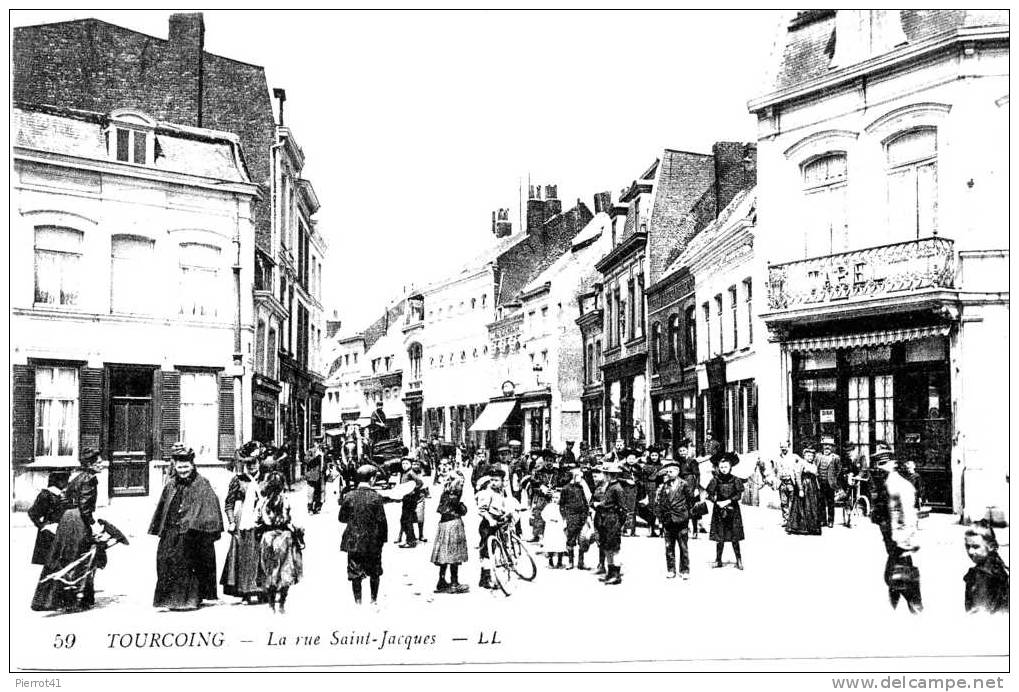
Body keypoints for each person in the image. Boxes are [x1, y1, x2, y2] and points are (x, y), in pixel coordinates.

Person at [149, 445, 224, 611]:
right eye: (179, 467)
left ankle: (189, 600)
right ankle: (169, 600)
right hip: (172, 531)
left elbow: (209, 508)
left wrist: (196, 526)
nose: (183, 470)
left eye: (186, 467)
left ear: (192, 465)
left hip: (192, 533)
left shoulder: (202, 483)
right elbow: (164, 508)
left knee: (187, 561)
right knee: (165, 559)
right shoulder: (171, 485)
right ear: (175, 466)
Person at [31, 448, 105, 612]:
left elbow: (65, 500)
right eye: (99, 462)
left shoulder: (77, 478)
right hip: (77, 521)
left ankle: (49, 600)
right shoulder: (90, 479)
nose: (102, 465)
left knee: (62, 557)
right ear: (90, 464)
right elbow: (85, 508)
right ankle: (73, 600)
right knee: (79, 558)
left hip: (68, 519)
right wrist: (93, 525)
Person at [873, 450, 923, 614]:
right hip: (892, 539)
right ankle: (910, 608)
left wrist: (905, 541)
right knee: (897, 576)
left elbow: (909, 515)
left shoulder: (899, 485)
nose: (880, 468)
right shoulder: (887, 483)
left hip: (899, 541)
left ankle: (916, 611)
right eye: (879, 465)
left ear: (893, 464)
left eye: (884, 464)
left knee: (896, 576)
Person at [221, 442, 267, 603]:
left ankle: (263, 591)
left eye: (254, 462)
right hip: (243, 522)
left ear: (259, 462)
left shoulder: (267, 479)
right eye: (248, 463)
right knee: (244, 556)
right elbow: (229, 503)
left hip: (262, 521)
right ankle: (245, 591)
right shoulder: (238, 480)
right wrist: (231, 521)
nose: (251, 466)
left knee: (262, 554)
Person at [338, 464, 389, 605]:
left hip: (353, 540)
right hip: (373, 541)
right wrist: (382, 540)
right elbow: (382, 521)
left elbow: (342, 518)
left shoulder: (349, 496)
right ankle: (373, 600)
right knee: (374, 571)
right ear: (372, 479)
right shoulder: (376, 498)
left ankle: (358, 602)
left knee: (355, 572)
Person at [257, 472, 303, 613]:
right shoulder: (286, 500)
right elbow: (292, 521)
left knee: (269, 571)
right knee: (286, 571)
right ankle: (282, 605)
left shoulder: (263, 502)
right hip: (284, 537)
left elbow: (257, 519)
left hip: (268, 537)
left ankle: (271, 605)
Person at [431, 460, 470, 594]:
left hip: (443, 524)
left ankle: (441, 581)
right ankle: (454, 583)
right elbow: (461, 510)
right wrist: (463, 507)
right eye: (461, 482)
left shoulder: (445, 493)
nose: (462, 485)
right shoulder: (455, 494)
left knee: (443, 554)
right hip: (453, 524)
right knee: (455, 554)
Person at [656, 461, 697, 579]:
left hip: (681, 519)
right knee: (669, 546)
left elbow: (690, 501)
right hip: (668, 520)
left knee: (683, 547)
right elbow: (661, 503)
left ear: (678, 471)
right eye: (667, 472)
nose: (669, 473)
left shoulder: (684, 484)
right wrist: (661, 519)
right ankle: (671, 569)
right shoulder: (664, 486)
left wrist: (686, 514)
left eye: (672, 471)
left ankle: (685, 570)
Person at [476, 469, 515, 590]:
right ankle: (485, 578)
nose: (493, 482)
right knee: (487, 552)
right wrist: (490, 520)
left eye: (496, 480)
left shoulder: (501, 492)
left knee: (503, 544)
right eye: (491, 480)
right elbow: (482, 510)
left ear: (503, 482)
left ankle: (507, 562)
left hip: (499, 522)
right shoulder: (487, 493)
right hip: (488, 525)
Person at [706, 452, 744, 569]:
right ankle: (718, 560)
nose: (723, 469)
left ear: (730, 467)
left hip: (733, 510)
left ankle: (739, 560)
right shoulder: (715, 480)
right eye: (721, 467)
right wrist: (716, 501)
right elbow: (710, 494)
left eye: (726, 467)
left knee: (735, 536)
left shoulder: (736, 480)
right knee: (720, 536)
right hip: (719, 510)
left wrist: (727, 501)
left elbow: (738, 495)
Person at [963, 523, 1009, 615]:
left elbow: (979, 613)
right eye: (967, 546)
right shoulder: (998, 565)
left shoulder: (981, 575)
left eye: (976, 547)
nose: (971, 551)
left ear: (991, 546)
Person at [27, 471, 70, 566]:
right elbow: (32, 513)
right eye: (65, 480)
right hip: (49, 534)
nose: (67, 483)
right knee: (50, 564)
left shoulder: (62, 495)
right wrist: (42, 526)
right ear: (57, 481)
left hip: (61, 531)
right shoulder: (46, 495)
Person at [596, 462, 627, 585]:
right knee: (607, 547)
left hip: (612, 519)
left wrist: (619, 523)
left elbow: (623, 508)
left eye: (605, 473)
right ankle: (610, 572)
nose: (603, 476)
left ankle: (616, 574)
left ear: (610, 475)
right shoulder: (610, 486)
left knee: (614, 548)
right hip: (605, 519)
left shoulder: (617, 488)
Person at [786, 446, 823, 536]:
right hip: (804, 486)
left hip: (812, 488)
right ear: (804, 456)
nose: (810, 457)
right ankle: (801, 528)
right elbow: (798, 477)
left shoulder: (813, 465)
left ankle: (812, 527)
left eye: (811, 456)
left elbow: (816, 475)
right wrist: (800, 489)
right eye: (808, 455)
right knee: (802, 507)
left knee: (812, 507)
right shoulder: (801, 463)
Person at [559, 467, 591, 569]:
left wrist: (587, 514)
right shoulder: (565, 489)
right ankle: (570, 561)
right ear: (573, 476)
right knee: (571, 539)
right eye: (579, 476)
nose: (581, 478)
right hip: (571, 517)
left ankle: (581, 562)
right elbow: (562, 505)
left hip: (582, 516)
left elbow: (585, 502)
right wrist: (565, 517)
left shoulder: (580, 488)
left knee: (583, 539)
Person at [771, 441, 800, 529]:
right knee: (784, 502)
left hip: (791, 482)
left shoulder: (794, 457)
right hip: (782, 483)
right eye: (782, 447)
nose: (784, 449)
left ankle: (792, 520)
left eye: (785, 447)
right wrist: (774, 481)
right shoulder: (777, 459)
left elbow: (801, 464)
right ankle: (786, 519)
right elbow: (774, 471)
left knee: (792, 501)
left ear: (789, 447)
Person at [397, 458, 424, 548]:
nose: (404, 465)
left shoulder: (411, 473)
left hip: (410, 499)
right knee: (404, 520)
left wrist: (413, 490)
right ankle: (410, 538)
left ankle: (411, 541)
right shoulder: (404, 473)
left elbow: (420, 483)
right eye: (403, 463)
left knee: (407, 520)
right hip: (406, 498)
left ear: (410, 464)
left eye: (406, 463)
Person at [816, 436, 842, 528]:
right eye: (825, 445)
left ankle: (830, 521)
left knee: (830, 502)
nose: (827, 447)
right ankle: (823, 520)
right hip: (820, 483)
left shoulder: (835, 458)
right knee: (821, 502)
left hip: (830, 484)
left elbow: (838, 470)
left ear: (832, 447)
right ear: (822, 446)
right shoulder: (818, 456)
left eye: (829, 446)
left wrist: (833, 478)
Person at [540, 490, 569, 568]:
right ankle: (550, 562)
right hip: (550, 527)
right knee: (550, 543)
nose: (554, 499)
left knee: (560, 544)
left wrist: (564, 524)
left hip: (559, 527)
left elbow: (566, 516)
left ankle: (559, 562)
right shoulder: (549, 506)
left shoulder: (563, 507)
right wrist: (549, 519)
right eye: (553, 497)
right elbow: (543, 514)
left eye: (557, 497)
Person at [639, 446, 663, 537]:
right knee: (650, 509)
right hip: (649, 489)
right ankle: (651, 529)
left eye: (656, 455)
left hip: (658, 489)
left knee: (660, 509)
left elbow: (662, 479)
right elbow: (643, 479)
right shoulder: (646, 466)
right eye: (652, 455)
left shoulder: (661, 466)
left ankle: (661, 530)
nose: (654, 457)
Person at [620, 450, 640, 537]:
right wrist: (626, 480)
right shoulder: (622, 468)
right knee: (625, 510)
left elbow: (641, 478)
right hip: (625, 490)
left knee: (634, 511)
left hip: (635, 491)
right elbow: (618, 478)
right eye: (629, 458)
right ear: (626, 459)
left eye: (633, 458)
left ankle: (633, 530)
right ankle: (624, 529)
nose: (631, 460)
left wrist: (637, 481)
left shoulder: (638, 468)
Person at [412, 459, 430, 543]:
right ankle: (401, 536)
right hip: (410, 498)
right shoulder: (409, 474)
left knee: (420, 518)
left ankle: (421, 535)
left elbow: (425, 486)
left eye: (417, 464)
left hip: (420, 497)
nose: (415, 466)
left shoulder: (422, 475)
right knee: (406, 518)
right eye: (414, 464)